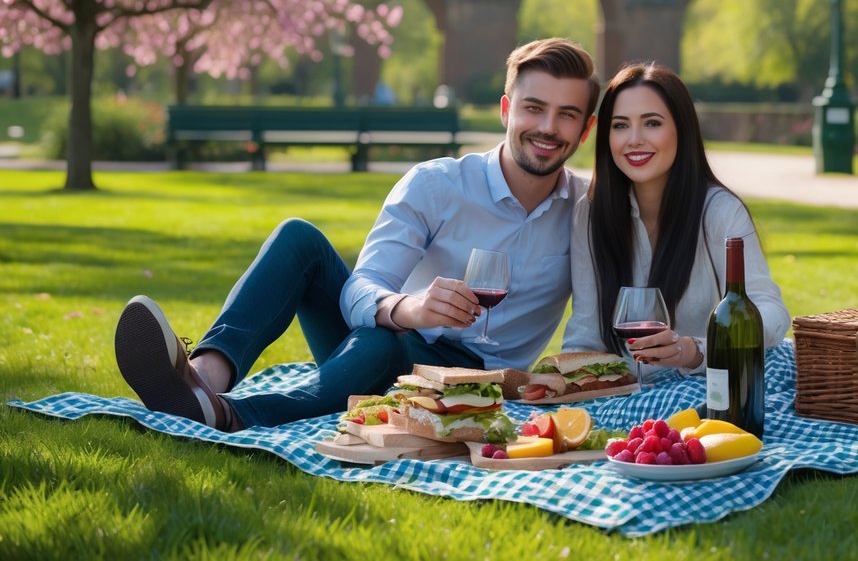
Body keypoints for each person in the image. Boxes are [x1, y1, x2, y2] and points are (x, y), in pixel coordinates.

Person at [114, 38, 599, 430]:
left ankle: (231, 414)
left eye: (567, 115)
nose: (547, 127)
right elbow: (360, 289)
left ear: (586, 129)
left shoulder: (589, 210)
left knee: (383, 344)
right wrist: (411, 308)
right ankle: (204, 378)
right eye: (533, 108)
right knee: (298, 238)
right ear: (506, 109)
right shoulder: (438, 184)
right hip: (394, 333)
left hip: (476, 379)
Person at [562, 62, 790, 376]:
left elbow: (771, 312)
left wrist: (695, 349)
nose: (634, 139)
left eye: (652, 123)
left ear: (681, 129)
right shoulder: (589, 213)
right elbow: (585, 332)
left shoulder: (719, 211)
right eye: (620, 125)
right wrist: (568, 383)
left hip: (710, 381)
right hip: (627, 391)